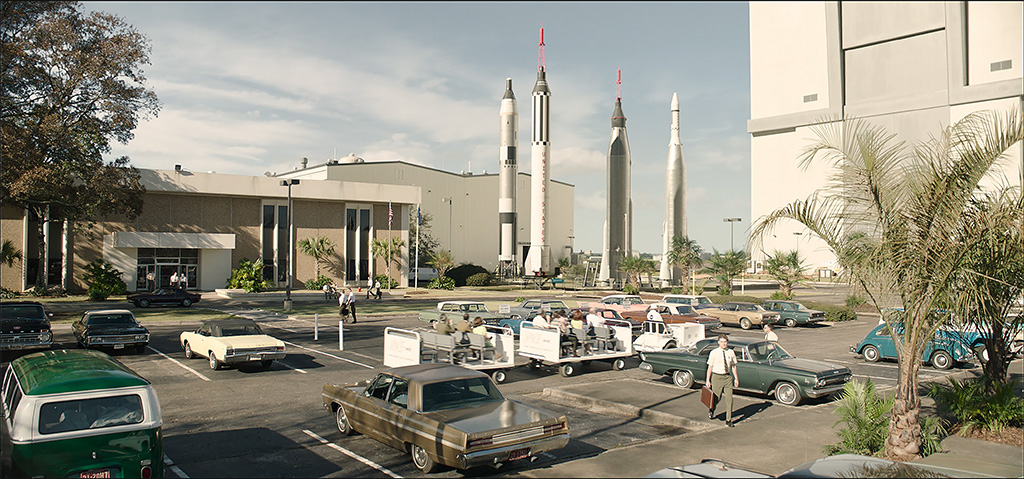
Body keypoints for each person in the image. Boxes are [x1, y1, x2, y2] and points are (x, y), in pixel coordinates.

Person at [705, 334, 739, 427]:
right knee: (717, 397)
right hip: (717, 377)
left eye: (725, 342)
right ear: (718, 343)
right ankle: (712, 409)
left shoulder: (731, 352)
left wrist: (736, 378)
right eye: (722, 342)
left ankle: (728, 420)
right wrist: (708, 380)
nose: (724, 344)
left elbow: (733, 366)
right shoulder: (714, 353)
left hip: (727, 377)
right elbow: (710, 367)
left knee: (729, 399)